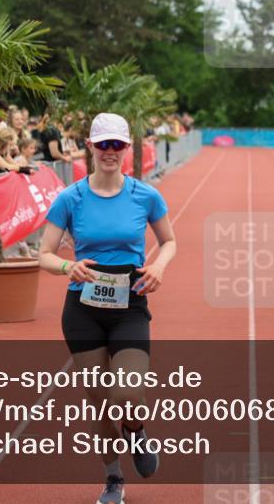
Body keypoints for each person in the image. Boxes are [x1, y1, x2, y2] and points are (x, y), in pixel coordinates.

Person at [38, 112, 176, 504]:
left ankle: (136, 432)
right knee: (98, 402)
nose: (110, 152)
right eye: (104, 145)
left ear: (128, 148)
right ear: (91, 148)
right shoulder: (70, 198)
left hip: (130, 304)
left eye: (118, 145)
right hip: (82, 308)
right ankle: (114, 479)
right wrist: (69, 265)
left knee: (126, 392)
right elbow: (43, 255)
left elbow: (169, 241)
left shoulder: (145, 195)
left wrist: (159, 266)